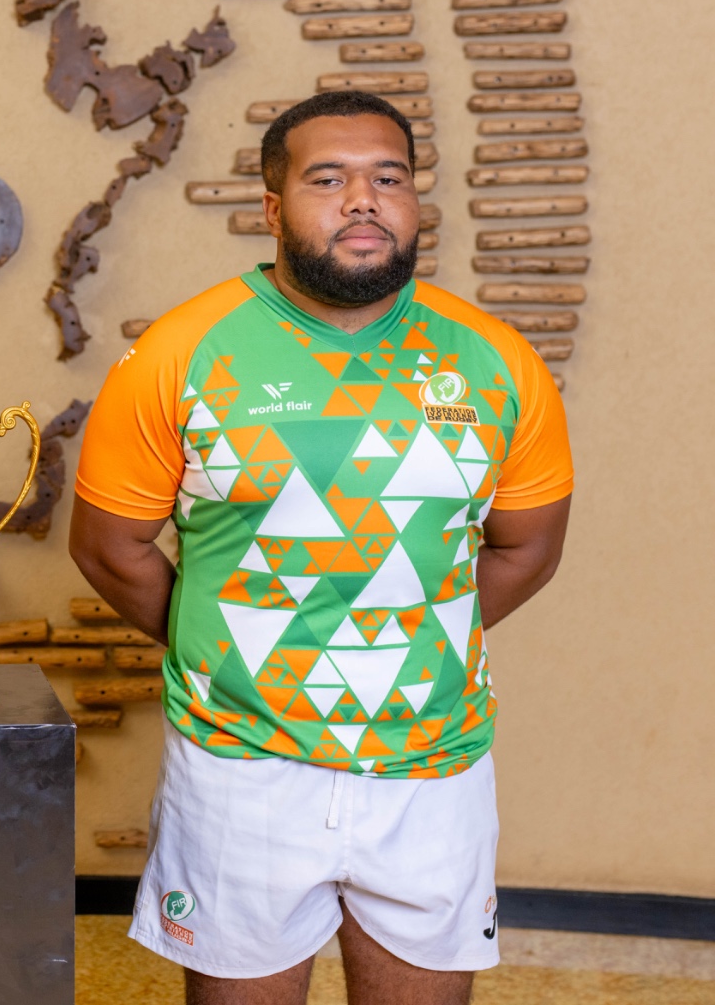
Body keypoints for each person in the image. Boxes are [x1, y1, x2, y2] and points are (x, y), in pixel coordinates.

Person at [69, 90, 572, 1005]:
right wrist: (232, 645)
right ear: (272, 207)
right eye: (328, 179)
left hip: (433, 769)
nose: (364, 199)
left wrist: (400, 628)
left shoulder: (497, 360)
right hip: (240, 765)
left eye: (389, 178)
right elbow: (109, 549)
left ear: (414, 200)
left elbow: (527, 550)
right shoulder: (181, 352)